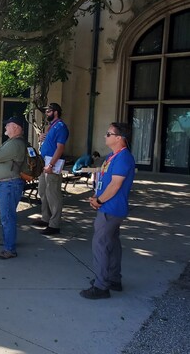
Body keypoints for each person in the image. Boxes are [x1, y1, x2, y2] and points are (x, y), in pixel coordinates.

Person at [80, 123, 135, 300]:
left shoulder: (123, 158)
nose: (105, 136)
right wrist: (96, 196)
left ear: (119, 138)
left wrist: (100, 200)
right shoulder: (113, 156)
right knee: (111, 243)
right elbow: (105, 180)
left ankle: (101, 286)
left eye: (108, 133)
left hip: (111, 208)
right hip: (107, 206)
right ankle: (112, 279)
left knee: (100, 245)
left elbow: (115, 185)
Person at [0, 116, 27, 259]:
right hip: (8, 184)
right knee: (7, 215)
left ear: (16, 127)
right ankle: (7, 240)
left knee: (7, 216)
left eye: (8, 125)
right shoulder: (14, 142)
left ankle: (10, 249)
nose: (5, 127)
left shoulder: (14, 144)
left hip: (9, 185)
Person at [34, 103, 69, 235]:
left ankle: (54, 224)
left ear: (56, 112)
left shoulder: (61, 127)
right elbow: (48, 142)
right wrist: (41, 137)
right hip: (44, 162)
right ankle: (45, 218)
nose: (46, 113)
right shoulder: (51, 127)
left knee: (53, 193)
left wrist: (51, 165)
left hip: (52, 164)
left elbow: (60, 148)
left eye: (48, 111)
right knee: (42, 191)